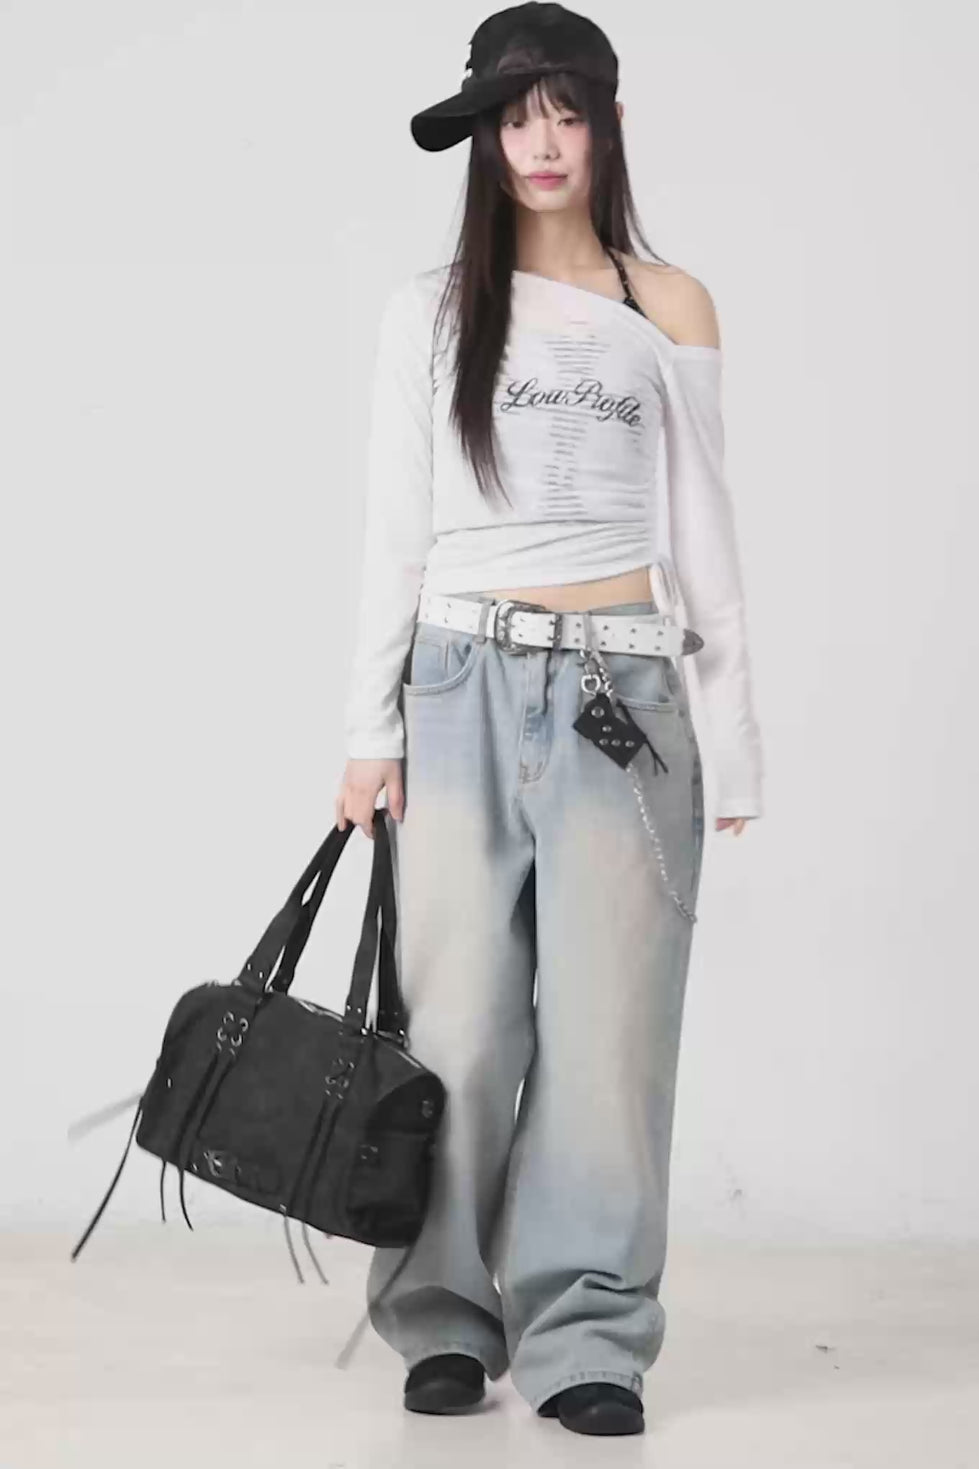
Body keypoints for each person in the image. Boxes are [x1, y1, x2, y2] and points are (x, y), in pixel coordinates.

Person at [333, 1, 764, 1438]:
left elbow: (705, 537)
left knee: (610, 1035)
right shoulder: (431, 310)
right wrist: (370, 727)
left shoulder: (669, 306)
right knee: (456, 1023)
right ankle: (444, 1317)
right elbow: (396, 534)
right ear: (484, 137)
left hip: (624, 698)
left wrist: (734, 741)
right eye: (515, 118)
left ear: (609, 123)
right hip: (458, 685)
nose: (540, 143)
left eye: (564, 112)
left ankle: (588, 1335)